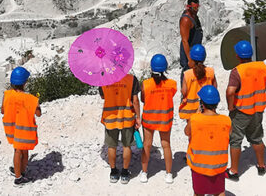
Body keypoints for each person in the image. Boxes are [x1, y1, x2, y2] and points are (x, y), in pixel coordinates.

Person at [225, 40, 266, 181]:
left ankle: (234, 171)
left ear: (238, 56)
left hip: (241, 112)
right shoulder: (262, 66)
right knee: (256, 138)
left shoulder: (237, 71)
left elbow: (230, 92)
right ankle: (261, 166)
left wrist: (231, 107)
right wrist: (265, 98)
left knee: (236, 140)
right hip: (257, 111)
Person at [185, 85, 231, 196]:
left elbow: (187, 132)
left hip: (199, 166)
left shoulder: (195, 119)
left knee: (198, 192)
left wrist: (197, 114)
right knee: (219, 191)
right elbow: (228, 135)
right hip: (218, 166)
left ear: (202, 103)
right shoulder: (226, 120)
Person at [140, 55, 177, 184]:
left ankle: (144, 173)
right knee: (166, 145)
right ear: (165, 68)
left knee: (147, 145)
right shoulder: (172, 84)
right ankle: (168, 174)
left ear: (151, 68)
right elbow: (171, 94)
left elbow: (143, 99)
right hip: (165, 119)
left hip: (149, 119)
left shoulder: (145, 84)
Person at [1, 66, 41, 187]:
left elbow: (3, 111)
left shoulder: (6, 95)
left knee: (17, 150)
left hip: (12, 129)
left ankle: (18, 171)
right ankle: (19, 176)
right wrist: (37, 103)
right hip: (24, 130)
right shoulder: (31, 99)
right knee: (22, 151)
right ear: (25, 82)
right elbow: (38, 114)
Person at [99, 72, 141, 184]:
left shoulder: (103, 78)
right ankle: (125, 173)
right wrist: (138, 117)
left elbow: (103, 96)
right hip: (127, 117)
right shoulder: (131, 79)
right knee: (127, 145)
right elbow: (135, 101)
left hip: (110, 117)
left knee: (111, 145)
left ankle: (113, 173)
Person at [179, 44, 217, 120]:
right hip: (206, 108)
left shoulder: (187, 74)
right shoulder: (210, 71)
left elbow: (184, 91)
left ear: (191, 57)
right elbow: (215, 88)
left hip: (190, 110)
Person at [179, 0, 203, 81]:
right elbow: (185, 41)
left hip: (195, 53)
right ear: (188, 7)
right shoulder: (186, 19)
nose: (196, 10)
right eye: (194, 8)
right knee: (188, 77)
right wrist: (190, 60)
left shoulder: (194, 16)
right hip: (188, 55)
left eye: (197, 7)